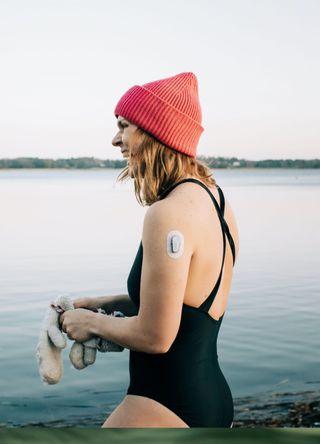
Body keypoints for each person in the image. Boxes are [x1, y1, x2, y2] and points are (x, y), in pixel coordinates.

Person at [60, 72, 239, 428]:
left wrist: (88, 322)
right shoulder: (216, 201)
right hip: (213, 400)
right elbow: (184, 302)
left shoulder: (166, 213)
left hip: (164, 404)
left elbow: (156, 336)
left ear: (155, 131)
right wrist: (103, 304)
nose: (116, 139)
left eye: (124, 125)